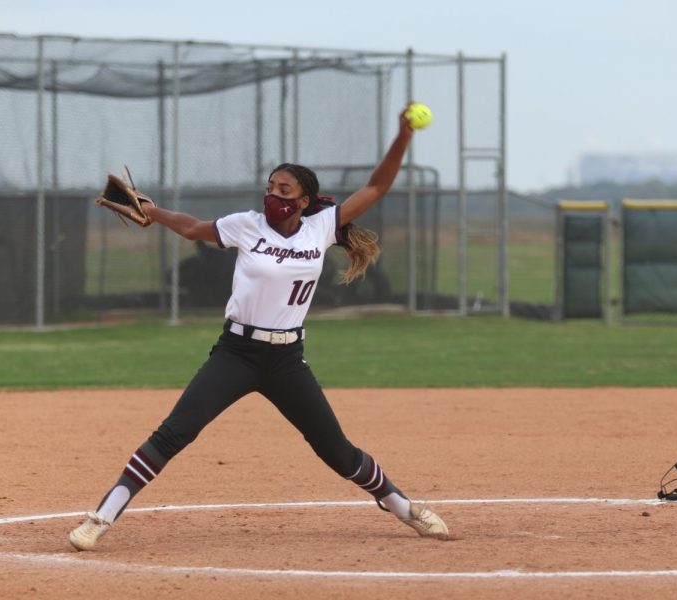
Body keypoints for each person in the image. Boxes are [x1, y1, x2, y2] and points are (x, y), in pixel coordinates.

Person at [68, 103, 449, 551]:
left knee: (336, 451)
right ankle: (101, 517)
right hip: (236, 354)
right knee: (174, 432)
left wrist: (404, 134)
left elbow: (378, 185)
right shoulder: (246, 226)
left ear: (304, 201)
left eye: (283, 189)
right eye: (270, 186)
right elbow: (192, 228)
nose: (273, 194)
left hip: (287, 360)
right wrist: (155, 211)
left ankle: (404, 508)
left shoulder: (321, 228)